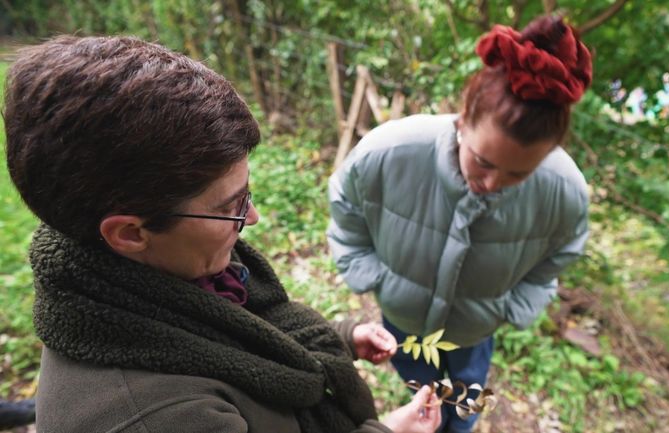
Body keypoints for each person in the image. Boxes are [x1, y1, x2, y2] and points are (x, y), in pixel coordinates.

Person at [3, 36, 441, 433]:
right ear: (130, 233)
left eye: (245, 194)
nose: (252, 218)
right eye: (229, 207)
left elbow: (235, 332)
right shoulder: (156, 418)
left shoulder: (156, 272)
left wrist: (339, 336)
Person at [328, 16, 592, 433]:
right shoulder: (389, 151)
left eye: (517, 175)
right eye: (483, 162)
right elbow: (347, 207)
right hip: (402, 317)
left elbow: (559, 256)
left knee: (466, 402)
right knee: (420, 389)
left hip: (476, 329)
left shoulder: (564, 190)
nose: (492, 184)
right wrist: (371, 274)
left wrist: (514, 307)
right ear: (464, 117)